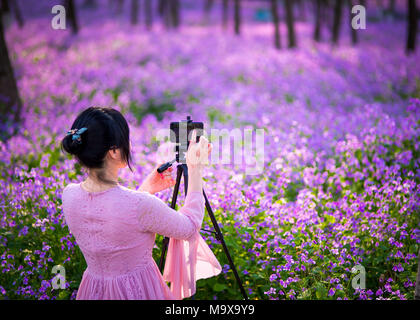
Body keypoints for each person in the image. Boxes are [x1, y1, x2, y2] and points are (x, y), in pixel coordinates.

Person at [61, 106, 221, 300]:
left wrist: (146, 188)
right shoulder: (139, 204)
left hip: (93, 291)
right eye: (126, 139)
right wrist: (196, 169)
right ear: (113, 151)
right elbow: (189, 227)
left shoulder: (69, 195)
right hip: (138, 291)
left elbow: (119, 223)